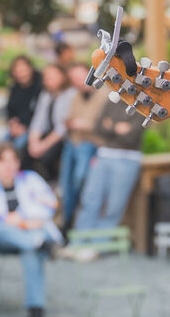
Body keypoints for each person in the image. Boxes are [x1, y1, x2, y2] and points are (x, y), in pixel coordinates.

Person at [0, 143, 62, 317]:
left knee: (30, 250)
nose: (9, 166)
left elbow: (50, 204)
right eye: (3, 161)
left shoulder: (30, 179)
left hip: (30, 234)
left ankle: (35, 308)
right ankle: (41, 243)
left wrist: (22, 220)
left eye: (13, 160)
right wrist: (24, 223)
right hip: (3, 240)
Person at [71, 89, 144, 244]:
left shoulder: (143, 103)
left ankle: (98, 245)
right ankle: (78, 242)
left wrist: (110, 126)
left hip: (128, 158)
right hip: (104, 154)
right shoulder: (114, 99)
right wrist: (117, 128)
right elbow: (99, 127)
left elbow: (132, 136)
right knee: (90, 198)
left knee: (114, 205)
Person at [58, 63, 107, 232]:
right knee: (65, 184)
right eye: (74, 79)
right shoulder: (76, 96)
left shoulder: (104, 95)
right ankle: (66, 221)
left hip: (91, 144)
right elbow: (70, 119)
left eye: (80, 77)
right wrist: (72, 124)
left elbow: (105, 126)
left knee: (79, 179)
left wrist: (85, 125)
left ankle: (75, 219)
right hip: (74, 142)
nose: (78, 81)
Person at [25, 64, 75, 182]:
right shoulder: (46, 94)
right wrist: (33, 142)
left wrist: (42, 146)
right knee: (25, 151)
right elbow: (38, 120)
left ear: (62, 76)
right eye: (46, 76)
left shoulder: (71, 94)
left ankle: (52, 183)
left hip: (65, 137)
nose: (48, 79)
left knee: (47, 156)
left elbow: (63, 127)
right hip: (50, 133)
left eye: (52, 76)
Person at [5, 55, 42, 152]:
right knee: (3, 145)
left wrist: (25, 128)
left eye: (23, 70)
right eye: (18, 71)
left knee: (16, 147)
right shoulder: (14, 89)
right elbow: (10, 110)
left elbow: (38, 113)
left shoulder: (40, 88)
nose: (21, 74)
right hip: (16, 128)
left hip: (32, 128)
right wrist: (13, 124)